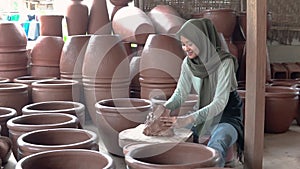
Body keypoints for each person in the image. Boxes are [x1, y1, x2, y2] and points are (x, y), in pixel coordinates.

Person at [160, 18, 244, 167]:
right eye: (183, 44)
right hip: (203, 111)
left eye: (190, 43)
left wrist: (186, 120)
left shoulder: (224, 62)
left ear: (203, 40)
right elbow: (180, 93)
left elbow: (219, 103)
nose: (186, 48)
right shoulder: (188, 63)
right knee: (172, 137)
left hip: (226, 115)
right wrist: (164, 108)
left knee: (217, 144)